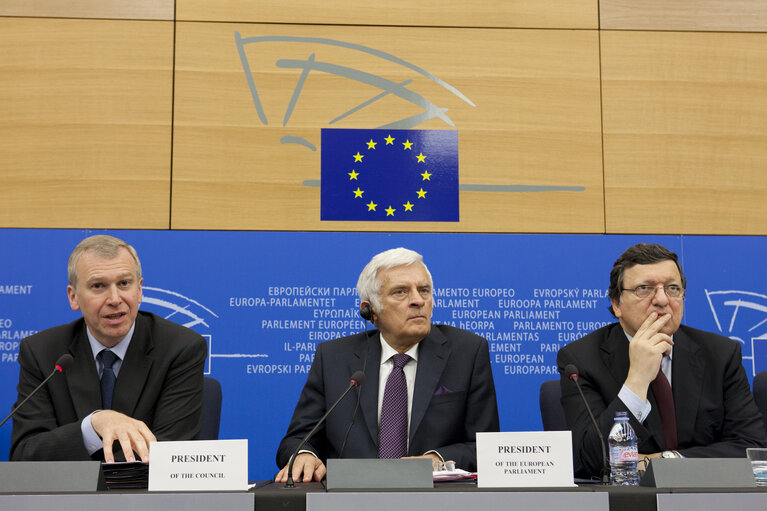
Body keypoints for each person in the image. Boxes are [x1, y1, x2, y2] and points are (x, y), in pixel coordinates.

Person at [275, 248, 499, 482]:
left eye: (424, 290)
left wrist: (438, 459)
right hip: (350, 498)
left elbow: (487, 447)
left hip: (436, 500)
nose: (418, 300)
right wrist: (304, 455)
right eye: (400, 292)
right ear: (370, 311)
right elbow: (296, 441)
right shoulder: (333, 357)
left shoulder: (467, 352)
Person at [557, 243, 767, 479]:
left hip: (709, 496)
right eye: (644, 289)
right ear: (617, 304)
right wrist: (637, 379)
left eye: (672, 288)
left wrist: (667, 462)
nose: (661, 300)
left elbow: (752, 448)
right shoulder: (582, 359)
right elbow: (589, 459)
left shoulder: (720, 354)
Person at [10, 235, 207, 463]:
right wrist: (92, 426)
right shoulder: (42, 352)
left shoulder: (180, 348)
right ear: (74, 297)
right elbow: (25, 455)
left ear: (140, 290)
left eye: (124, 283)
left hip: (146, 497)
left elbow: (170, 454)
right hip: (67, 497)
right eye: (98, 286)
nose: (115, 299)